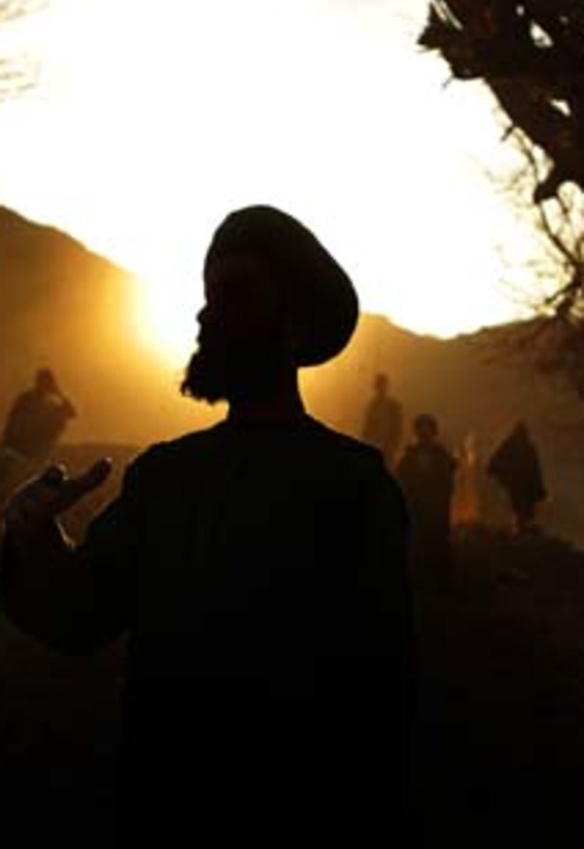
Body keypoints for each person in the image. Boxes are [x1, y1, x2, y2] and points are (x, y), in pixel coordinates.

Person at [0, 205, 412, 844]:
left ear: (294, 324)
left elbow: (380, 704)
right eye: (207, 296)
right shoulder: (164, 478)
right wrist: (28, 546)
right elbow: (79, 620)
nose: (206, 314)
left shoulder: (354, 488)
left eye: (235, 295)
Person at [397, 413, 457, 589]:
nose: (424, 432)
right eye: (421, 428)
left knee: (438, 542)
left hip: (436, 508)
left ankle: (441, 581)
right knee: (417, 542)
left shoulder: (441, 456)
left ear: (433, 432)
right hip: (417, 506)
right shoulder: (409, 456)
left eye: (427, 428)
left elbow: (448, 482)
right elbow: (402, 479)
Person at [0, 368, 76, 502]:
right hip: (21, 449)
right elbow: (14, 422)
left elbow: (71, 413)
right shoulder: (28, 399)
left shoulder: (49, 403)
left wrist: (59, 394)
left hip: (32, 452)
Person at [487, 420, 547, 534]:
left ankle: (520, 530)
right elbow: (535, 470)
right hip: (518, 485)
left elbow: (535, 469)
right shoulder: (517, 446)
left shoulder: (515, 446)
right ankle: (519, 530)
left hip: (520, 485)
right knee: (520, 508)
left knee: (521, 509)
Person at [361, 372, 403, 469]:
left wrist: (394, 444)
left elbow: (398, 427)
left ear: (386, 386)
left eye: (382, 385)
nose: (380, 388)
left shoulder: (393, 405)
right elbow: (367, 427)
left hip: (388, 447)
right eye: (378, 385)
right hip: (374, 444)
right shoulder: (372, 406)